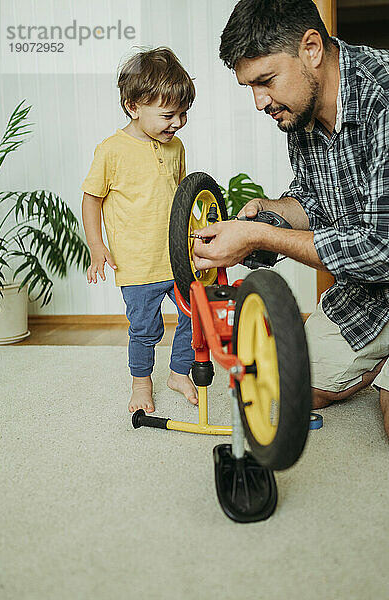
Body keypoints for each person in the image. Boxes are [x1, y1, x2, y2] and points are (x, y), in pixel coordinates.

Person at [192, 0, 389, 438]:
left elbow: (382, 250)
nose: (261, 102)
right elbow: (315, 206)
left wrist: (261, 235)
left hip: (381, 262)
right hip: (371, 295)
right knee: (290, 381)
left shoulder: (384, 98)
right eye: (251, 87)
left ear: (312, 48)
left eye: (266, 81)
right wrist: (269, 215)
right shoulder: (298, 113)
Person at [81, 47, 198, 414]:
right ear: (134, 106)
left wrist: (196, 237)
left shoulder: (175, 147)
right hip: (137, 266)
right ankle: (141, 383)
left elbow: (183, 197)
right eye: (168, 115)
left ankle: (180, 372)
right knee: (145, 331)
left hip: (177, 259)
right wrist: (97, 245)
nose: (177, 122)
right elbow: (91, 198)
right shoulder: (112, 150)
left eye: (183, 114)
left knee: (194, 317)